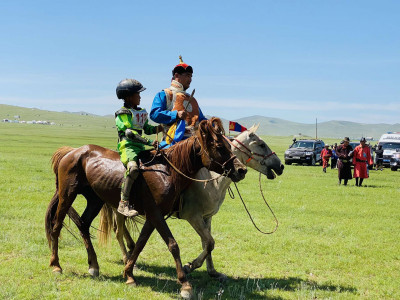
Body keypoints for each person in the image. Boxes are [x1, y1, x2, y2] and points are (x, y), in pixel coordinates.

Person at [115, 79, 161, 217]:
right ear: (129, 96)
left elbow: (147, 128)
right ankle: (123, 203)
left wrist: (161, 127)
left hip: (141, 146)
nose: (140, 97)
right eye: (137, 94)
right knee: (134, 169)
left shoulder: (141, 112)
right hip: (128, 147)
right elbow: (129, 133)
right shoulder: (123, 113)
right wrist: (149, 142)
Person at [150, 56, 207, 146]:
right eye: (188, 75)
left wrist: (211, 123)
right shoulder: (165, 94)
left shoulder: (192, 99)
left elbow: (201, 119)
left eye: (191, 76)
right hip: (172, 143)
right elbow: (154, 114)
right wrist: (175, 114)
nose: (190, 79)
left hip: (194, 143)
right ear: (177, 75)